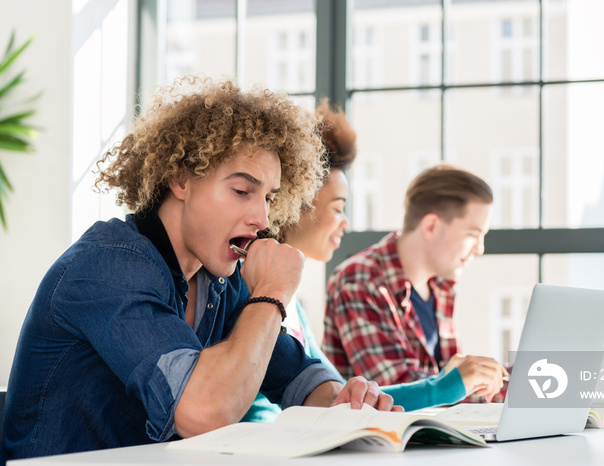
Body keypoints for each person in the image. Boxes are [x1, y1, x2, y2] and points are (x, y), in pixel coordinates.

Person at [1, 77, 396, 462]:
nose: (261, 217)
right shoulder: (107, 267)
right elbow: (205, 412)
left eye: (270, 198)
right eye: (242, 191)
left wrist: (345, 401)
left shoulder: (219, 281)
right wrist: (272, 293)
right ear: (180, 179)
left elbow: (298, 375)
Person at [243, 101, 505, 423]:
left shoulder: (289, 298)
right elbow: (344, 403)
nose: (346, 223)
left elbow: (335, 395)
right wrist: (448, 385)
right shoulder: (264, 288)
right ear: (297, 202)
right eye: (338, 208)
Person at [322, 163, 507, 397]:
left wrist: (514, 378)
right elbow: (396, 389)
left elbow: (448, 379)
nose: (479, 249)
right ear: (431, 226)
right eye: (473, 235)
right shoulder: (360, 279)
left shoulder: (441, 286)